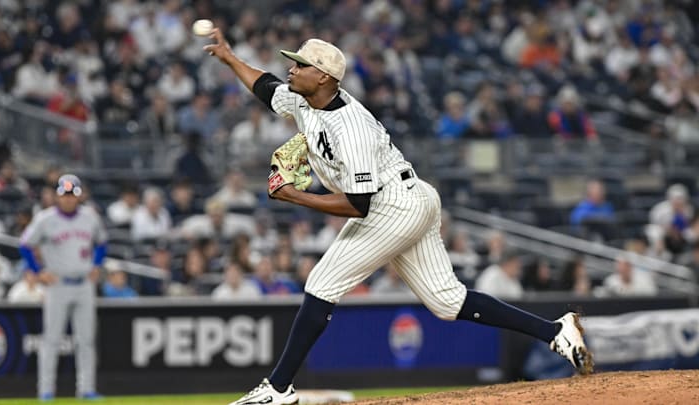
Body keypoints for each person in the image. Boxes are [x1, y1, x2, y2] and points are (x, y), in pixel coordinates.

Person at [203, 31, 593, 405]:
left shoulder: (350, 127)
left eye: (301, 65)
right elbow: (266, 86)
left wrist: (294, 196)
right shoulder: (305, 99)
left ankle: (278, 387)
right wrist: (230, 57)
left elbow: (359, 205)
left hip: (394, 204)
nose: (292, 69)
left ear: (323, 77)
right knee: (448, 301)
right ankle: (557, 331)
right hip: (411, 197)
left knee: (322, 282)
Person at [19, 174, 107, 400]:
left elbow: (102, 242)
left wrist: (97, 264)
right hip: (58, 284)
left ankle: (86, 389)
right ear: (58, 195)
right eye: (65, 195)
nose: (68, 199)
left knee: (86, 339)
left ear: (79, 196)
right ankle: (46, 390)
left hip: (84, 283)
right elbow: (25, 245)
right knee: (52, 339)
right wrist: (38, 272)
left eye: (72, 195)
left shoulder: (90, 217)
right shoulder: (45, 219)